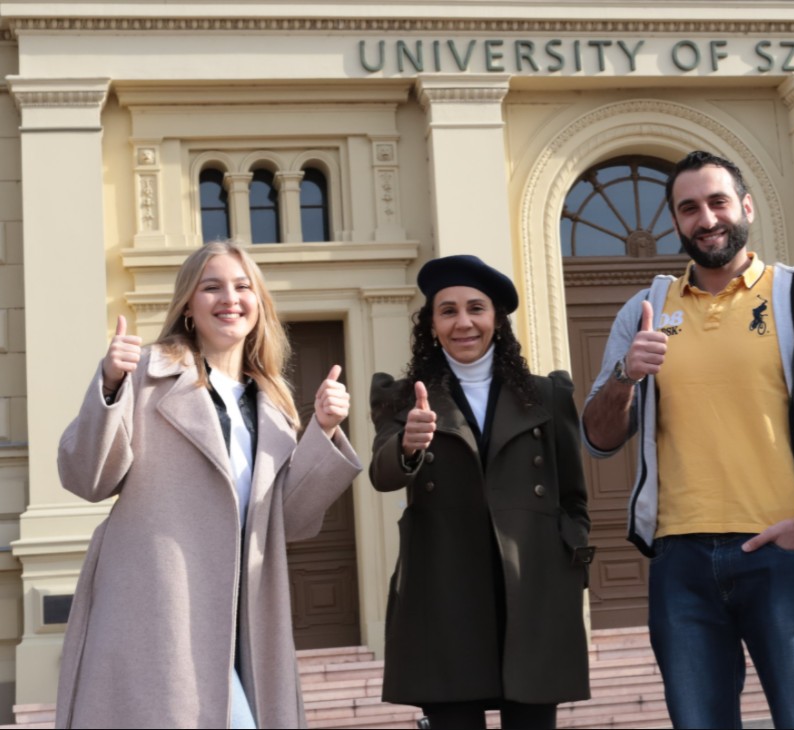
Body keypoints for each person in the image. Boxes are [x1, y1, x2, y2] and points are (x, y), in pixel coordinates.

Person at [581, 150, 794, 729]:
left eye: (718, 202)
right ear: (676, 221)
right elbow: (599, 438)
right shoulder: (645, 310)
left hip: (781, 550)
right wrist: (625, 375)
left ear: (745, 207)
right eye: (689, 208)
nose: (706, 218)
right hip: (679, 557)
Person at [55, 241, 362, 729]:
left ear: (259, 304)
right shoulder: (146, 375)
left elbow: (290, 522)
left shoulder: (275, 405)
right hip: (162, 607)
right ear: (188, 306)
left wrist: (321, 432)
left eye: (243, 287)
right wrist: (110, 384)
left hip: (248, 611)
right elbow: (86, 478)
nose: (230, 298)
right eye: (212, 287)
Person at [368, 254, 593, 730]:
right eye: (447, 311)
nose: (463, 322)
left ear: (497, 320)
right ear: (432, 325)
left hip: (532, 587)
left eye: (476, 308)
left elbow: (574, 495)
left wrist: (569, 562)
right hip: (444, 590)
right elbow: (383, 475)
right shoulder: (401, 396)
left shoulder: (548, 395)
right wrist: (407, 445)